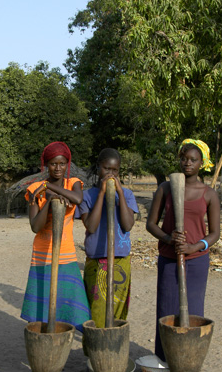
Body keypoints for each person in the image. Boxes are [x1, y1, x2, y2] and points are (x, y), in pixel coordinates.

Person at [146, 139, 220, 362]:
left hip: (197, 261)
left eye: (193, 160)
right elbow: (151, 224)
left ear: (202, 164)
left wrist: (193, 247)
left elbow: (214, 234)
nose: (187, 163)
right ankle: (165, 359)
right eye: (184, 158)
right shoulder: (166, 188)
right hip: (169, 258)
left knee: (193, 310)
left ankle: (187, 359)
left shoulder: (209, 194)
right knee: (167, 310)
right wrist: (168, 239)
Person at [21, 141, 91, 333]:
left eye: (62, 164)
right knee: (43, 310)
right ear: (46, 165)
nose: (58, 168)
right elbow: (35, 226)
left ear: (67, 164)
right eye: (53, 164)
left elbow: (77, 199)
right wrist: (49, 200)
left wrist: (51, 190)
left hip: (66, 253)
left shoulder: (73, 183)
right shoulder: (35, 189)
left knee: (71, 307)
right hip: (42, 254)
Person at [76, 148, 139, 329]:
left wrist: (118, 193)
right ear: (98, 169)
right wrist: (103, 193)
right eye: (106, 169)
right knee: (96, 312)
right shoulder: (87, 196)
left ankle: (112, 350)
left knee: (116, 311)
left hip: (120, 259)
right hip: (97, 260)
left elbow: (128, 225)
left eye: (115, 170)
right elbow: (91, 226)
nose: (110, 174)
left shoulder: (126, 194)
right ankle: (93, 354)